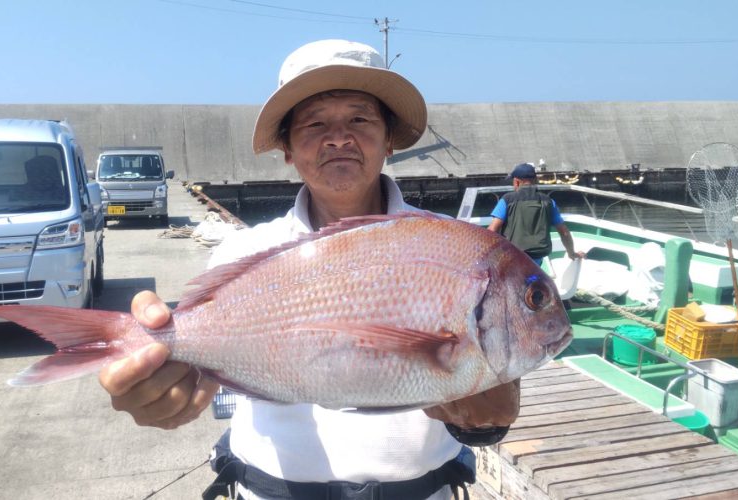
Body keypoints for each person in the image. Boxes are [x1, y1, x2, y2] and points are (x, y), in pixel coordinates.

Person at [98, 39, 520, 500]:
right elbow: (206, 379)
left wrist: (485, 424)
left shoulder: (458, 248)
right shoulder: (243, 252)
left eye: (359, 119)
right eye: (315, 123)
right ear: (287, 148)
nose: (338, 138)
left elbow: (472, 404)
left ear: (389, 139)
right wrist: (166, 394)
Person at [487, 163, 584, 264]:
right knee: (532, 273)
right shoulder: (549, 201)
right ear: (535, 180)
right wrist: (571, 253)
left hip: (514, 257)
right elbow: (564, 232)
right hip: (538, 257)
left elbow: (492, 230)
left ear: (516, 182)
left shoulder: (507, 200)